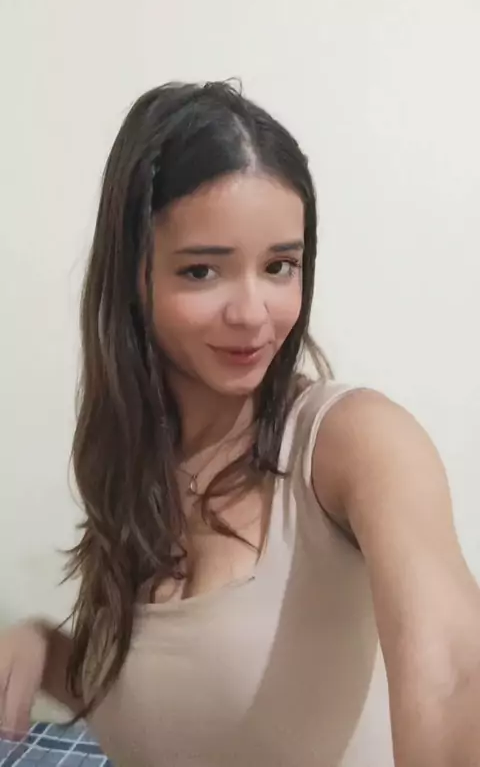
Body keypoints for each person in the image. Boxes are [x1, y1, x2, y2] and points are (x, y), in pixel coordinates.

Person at [1, 81, 479, 767]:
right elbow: (171, 700)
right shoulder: (129, 465)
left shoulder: (354, 444)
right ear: (133, 277)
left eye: (281, 266)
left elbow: (455, 674)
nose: (253, 314)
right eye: (202, 271)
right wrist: (43, 647)